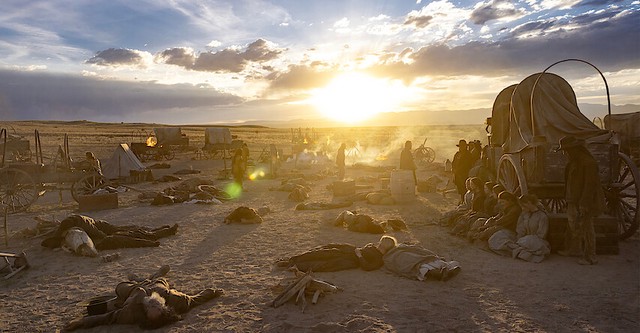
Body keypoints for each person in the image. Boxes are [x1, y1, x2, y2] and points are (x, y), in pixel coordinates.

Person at [63, 266, 223, 331]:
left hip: (131, 292)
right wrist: (213, 291)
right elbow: (197, 298)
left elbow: (107, 318)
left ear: (145, 310)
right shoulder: (177, 301)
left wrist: (81, 322)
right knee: (159, 279)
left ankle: (137, 281)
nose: (153, 304)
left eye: (151, 308)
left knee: (120, 288)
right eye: (157, 308)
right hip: (159, 284)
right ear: (164, 308)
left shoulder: (132, 311)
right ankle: (157, 274)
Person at [556, 136, 605, 265]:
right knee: (573, 225)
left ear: (574, 149)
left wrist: (584, 203)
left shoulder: (588, 163)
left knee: (587, 228)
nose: (564, 153)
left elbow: (590, 186)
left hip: (583, 202)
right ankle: (574, 249)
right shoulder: (573, 162)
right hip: (573, 200)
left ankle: (590, 257)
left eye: (566, 150)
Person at [41, 214, 178, 251]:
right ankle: (161, 231)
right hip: (102, 232)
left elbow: (96, 232)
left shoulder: (81, 224)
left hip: (103, 232)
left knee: (130, 232)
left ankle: (158, 232)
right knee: (132, 232)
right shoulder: (72, 223)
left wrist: (108, 237)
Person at [276, 236, 397, 272]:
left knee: (324, 265)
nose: (380, 245)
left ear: (387, 248)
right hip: (349, 251)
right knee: (322, 252)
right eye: (381, 242)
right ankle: (292, 260)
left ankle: (294, 266)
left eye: (383, 245)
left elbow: (367, 267)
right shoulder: (375, 247)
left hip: (351, 261)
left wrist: (359, 256)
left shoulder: (379, 259)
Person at [488, 194, 551, 263]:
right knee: (498, 236)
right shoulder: (524, 214)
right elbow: (520, 228)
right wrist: (520, 237)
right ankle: (517, 248)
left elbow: (541, 234)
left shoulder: (542, 216)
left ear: (529, 203)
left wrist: (526, 239)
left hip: (536, 241)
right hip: (521, 239)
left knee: (527, 243)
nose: (522, 208)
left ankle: (517, 249)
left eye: (523, 206)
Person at [382, 239, 461, 281]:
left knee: (426, 263)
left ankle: (444, 272)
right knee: (423, 267)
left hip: (417, 259)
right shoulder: (387, 257)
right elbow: (393, 266)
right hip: (412, 262)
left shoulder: (398, 247)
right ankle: (441, 273)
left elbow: (414, 249)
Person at [452, 139, 474, 204]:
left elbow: (466, 164)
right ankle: (462, 200)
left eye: (463, 146)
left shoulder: (468, 154)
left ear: (465, 146)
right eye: (460, 146)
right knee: (459, 187)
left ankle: (465, 201)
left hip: (464, 173)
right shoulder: (457, 154)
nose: (461, 148)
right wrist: (453, 169)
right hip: (457, 174)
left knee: (464, 187)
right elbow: (453, 162)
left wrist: (459, 169)